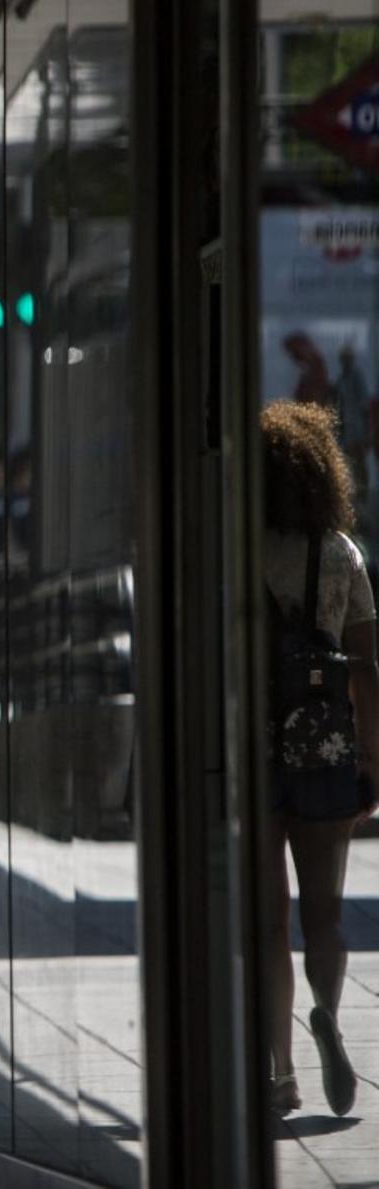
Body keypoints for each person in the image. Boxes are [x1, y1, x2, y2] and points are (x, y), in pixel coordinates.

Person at [261, 400, 379, 1118]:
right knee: (324, 913)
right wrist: (372, 758)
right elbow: (367, 665)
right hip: (326, 744)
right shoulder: (340, 552)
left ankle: (281, 1072)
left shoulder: (238, 548)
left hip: (256, 746)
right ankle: (328, 1011)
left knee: (269, 920)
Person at [337, 347, 371, 500]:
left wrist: (366, 428)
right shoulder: (341, 379)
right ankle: (356, 487)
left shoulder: (357, 376)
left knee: (359, 457)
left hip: (357, 424)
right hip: (348, 424)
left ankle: (363, 489)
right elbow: (340, 402)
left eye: (347, 358)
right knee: (351, 457)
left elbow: (364, 403)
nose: (345, 361)